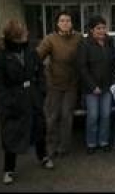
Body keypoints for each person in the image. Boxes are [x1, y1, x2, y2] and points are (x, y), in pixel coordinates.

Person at [0, 20, 54, 185]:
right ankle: (9, 169)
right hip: (13, 100)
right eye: (24, 30)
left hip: (32, 97)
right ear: (15, 34)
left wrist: (41, 91)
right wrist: (8, 101)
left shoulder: (30, 50)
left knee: (39, 128)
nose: (27, 32)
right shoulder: (1, 54)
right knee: (11, 135)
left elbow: (40, 72)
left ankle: (43, 156)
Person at [36, 11, 82, 158]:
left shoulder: (79, 38)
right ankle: (50, 147)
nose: (65, 23)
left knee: (66, 117)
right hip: (54, 85)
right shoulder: (50, 39)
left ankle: (64, 147)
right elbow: (37, 57)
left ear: (72, 23)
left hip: (71, 85)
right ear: (57, 23)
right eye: (62, 21)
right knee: (52, 117)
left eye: (68, 20)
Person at [77, 16, 115, 154]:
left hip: (107, 87)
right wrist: (92, 86)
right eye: (98, 28)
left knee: (106, 115)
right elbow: (82, 68)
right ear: (91, 30)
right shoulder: (84, 44)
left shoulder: (110, 42)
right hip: (91, 89)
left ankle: (104, 142)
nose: (102, 31)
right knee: (93, 116)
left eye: (103, 27)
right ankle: (91, 143)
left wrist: (113, 82)